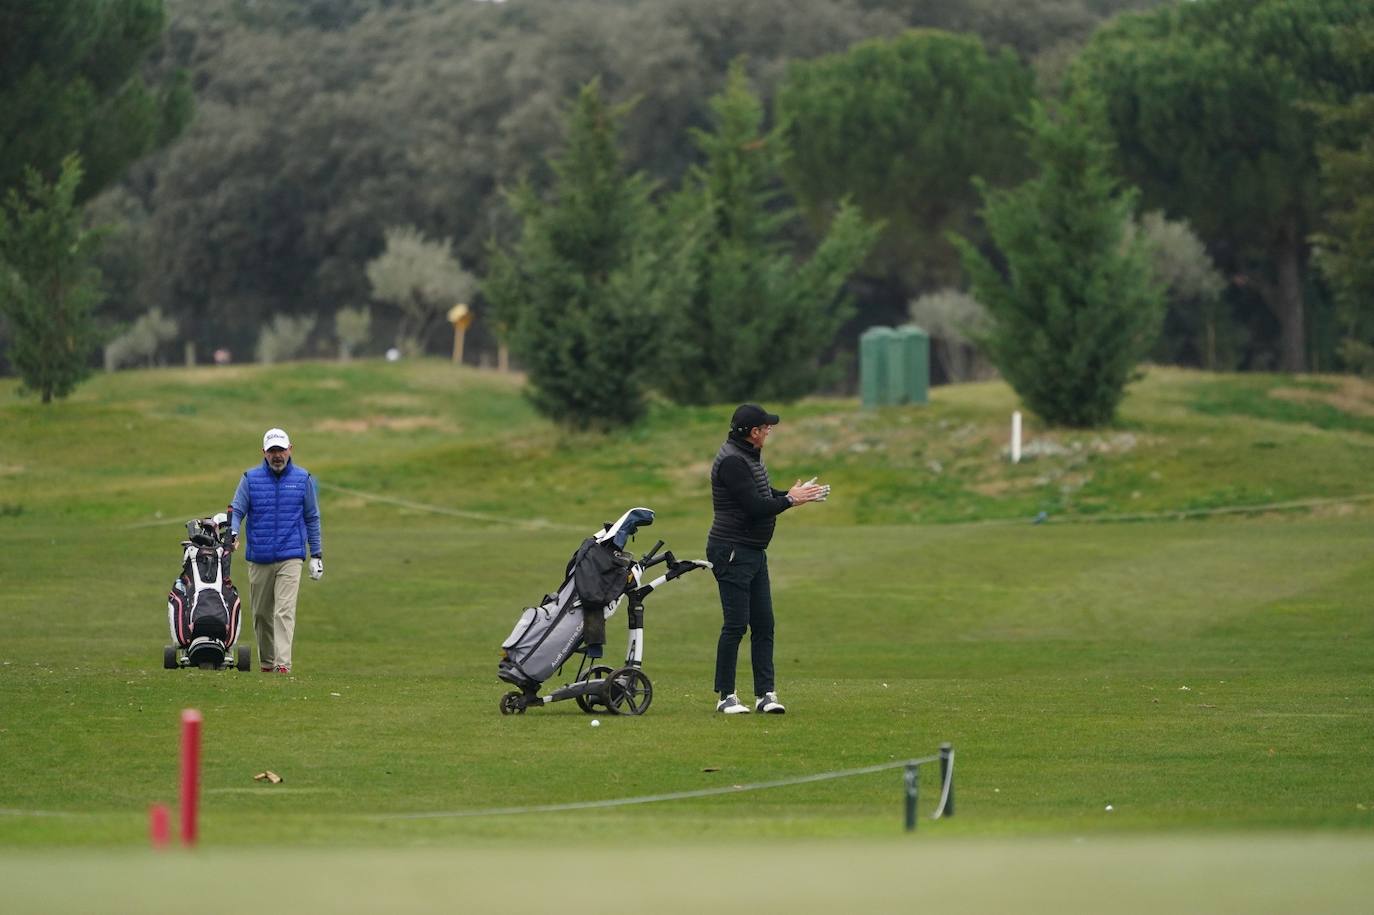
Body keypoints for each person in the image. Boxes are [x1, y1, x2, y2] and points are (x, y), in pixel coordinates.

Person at [708, 404, 827, 715]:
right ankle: (726, 696)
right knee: (736, 625)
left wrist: (791, 493)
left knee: (764, 624)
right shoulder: (733, 461)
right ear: (753, 432)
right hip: (732, 549)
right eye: (765, 427)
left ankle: (766, 694)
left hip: (752, 551)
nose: (769, 431)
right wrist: (789, 500)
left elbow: (761, 492)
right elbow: (754, 506)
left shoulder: (746, 456)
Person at [228, 427, 323, 674]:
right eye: (272, 451)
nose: (277, 455)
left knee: (284, 611)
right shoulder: (250, 479)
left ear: (290, 449)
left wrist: (317, 555)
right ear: (264, 453)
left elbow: (312, 517)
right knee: (261, 614)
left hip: (291, 555)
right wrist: (233, 532)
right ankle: (268, 663)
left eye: (281, 449)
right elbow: (237, 510)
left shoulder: (303, 479)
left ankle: (283, 665)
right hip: (259, 557)